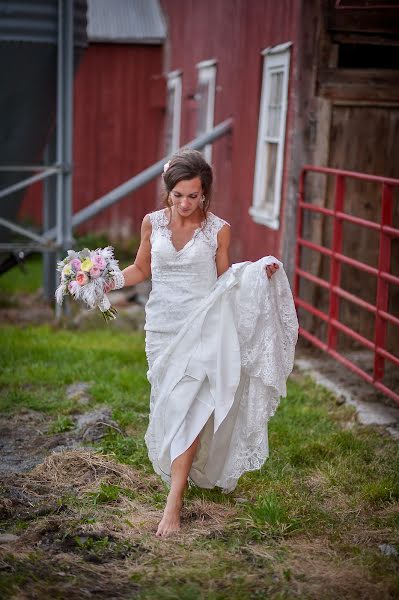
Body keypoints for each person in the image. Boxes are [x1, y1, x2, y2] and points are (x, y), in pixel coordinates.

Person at [106, 148, 299, 538]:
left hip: (203, 329)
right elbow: (141, 269)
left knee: (192, 410)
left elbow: (225, 280)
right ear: (168, 192)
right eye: (178, 195)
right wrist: (103, 280)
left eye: (193, 195)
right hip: (162, 330)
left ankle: (173, 503)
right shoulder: (152, 224)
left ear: (204, 194)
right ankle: (182, 479)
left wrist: (257, 274)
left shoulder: (218, 229)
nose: (184, 203)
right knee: (170, 406)